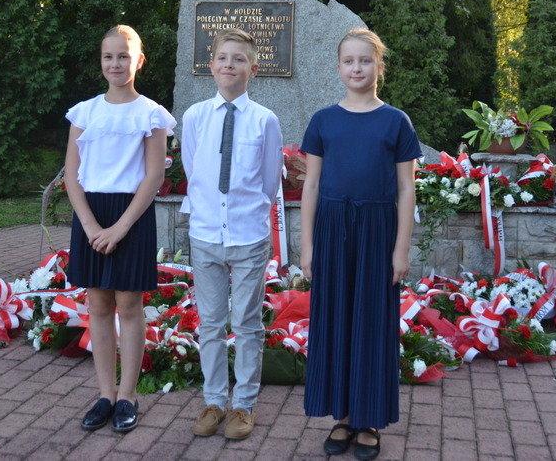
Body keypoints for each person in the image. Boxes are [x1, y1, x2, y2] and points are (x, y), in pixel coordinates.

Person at [300, 28, 421, 460]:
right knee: (335, 320)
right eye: (349, 61)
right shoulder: (323, 121)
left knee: (371, 322)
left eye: (365, 61)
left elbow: (406, 189)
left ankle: (368, 418)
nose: (357, 68)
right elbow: (311, 186)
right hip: (333, 229)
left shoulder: (396, 121)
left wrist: (400, 249)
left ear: (379, 67)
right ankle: (344, 415)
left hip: (377, 230)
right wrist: (307, 246)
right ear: (338, 67)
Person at [65, 25, 175, 434]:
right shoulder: (84, 112)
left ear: (138, 61)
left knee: (128, 306)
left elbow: (153, 177)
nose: (116, 63)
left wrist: (120, 228)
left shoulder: (151, 113)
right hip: (91, 214)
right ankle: (105, 394)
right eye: (108, 56)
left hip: (131, 215)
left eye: (124, 56)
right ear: (101, 61)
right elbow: (72, 174)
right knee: (97, 305)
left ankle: (128, 395)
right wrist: (92, 225)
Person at [180, 28, 283, 441]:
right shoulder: (194, 117)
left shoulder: (264, 120)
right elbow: (193, 170)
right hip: (206, 234)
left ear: (253, 70)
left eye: (239, 59)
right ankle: (213, 401)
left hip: (247, 237)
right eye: (223, 58)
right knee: (210, 323)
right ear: (211, 65)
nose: (229, 65)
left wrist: (247, 217)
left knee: (246, 322)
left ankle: (244, 405)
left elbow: (268, 183)